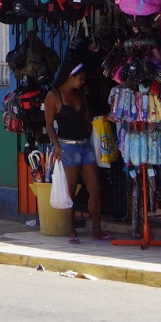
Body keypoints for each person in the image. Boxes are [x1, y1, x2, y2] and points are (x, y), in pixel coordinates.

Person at [43, 63, 110, 243]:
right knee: (70, 190)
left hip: (85, 144)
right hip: (68, 146)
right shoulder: (53, 96)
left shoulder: (79, 94)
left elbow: (87, 119)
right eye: (80, 79)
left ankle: (97, 230)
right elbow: (49, 125)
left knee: (95, 188)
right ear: (70, 77)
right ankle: (72, 231)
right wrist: (56, 146)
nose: (82, 82)